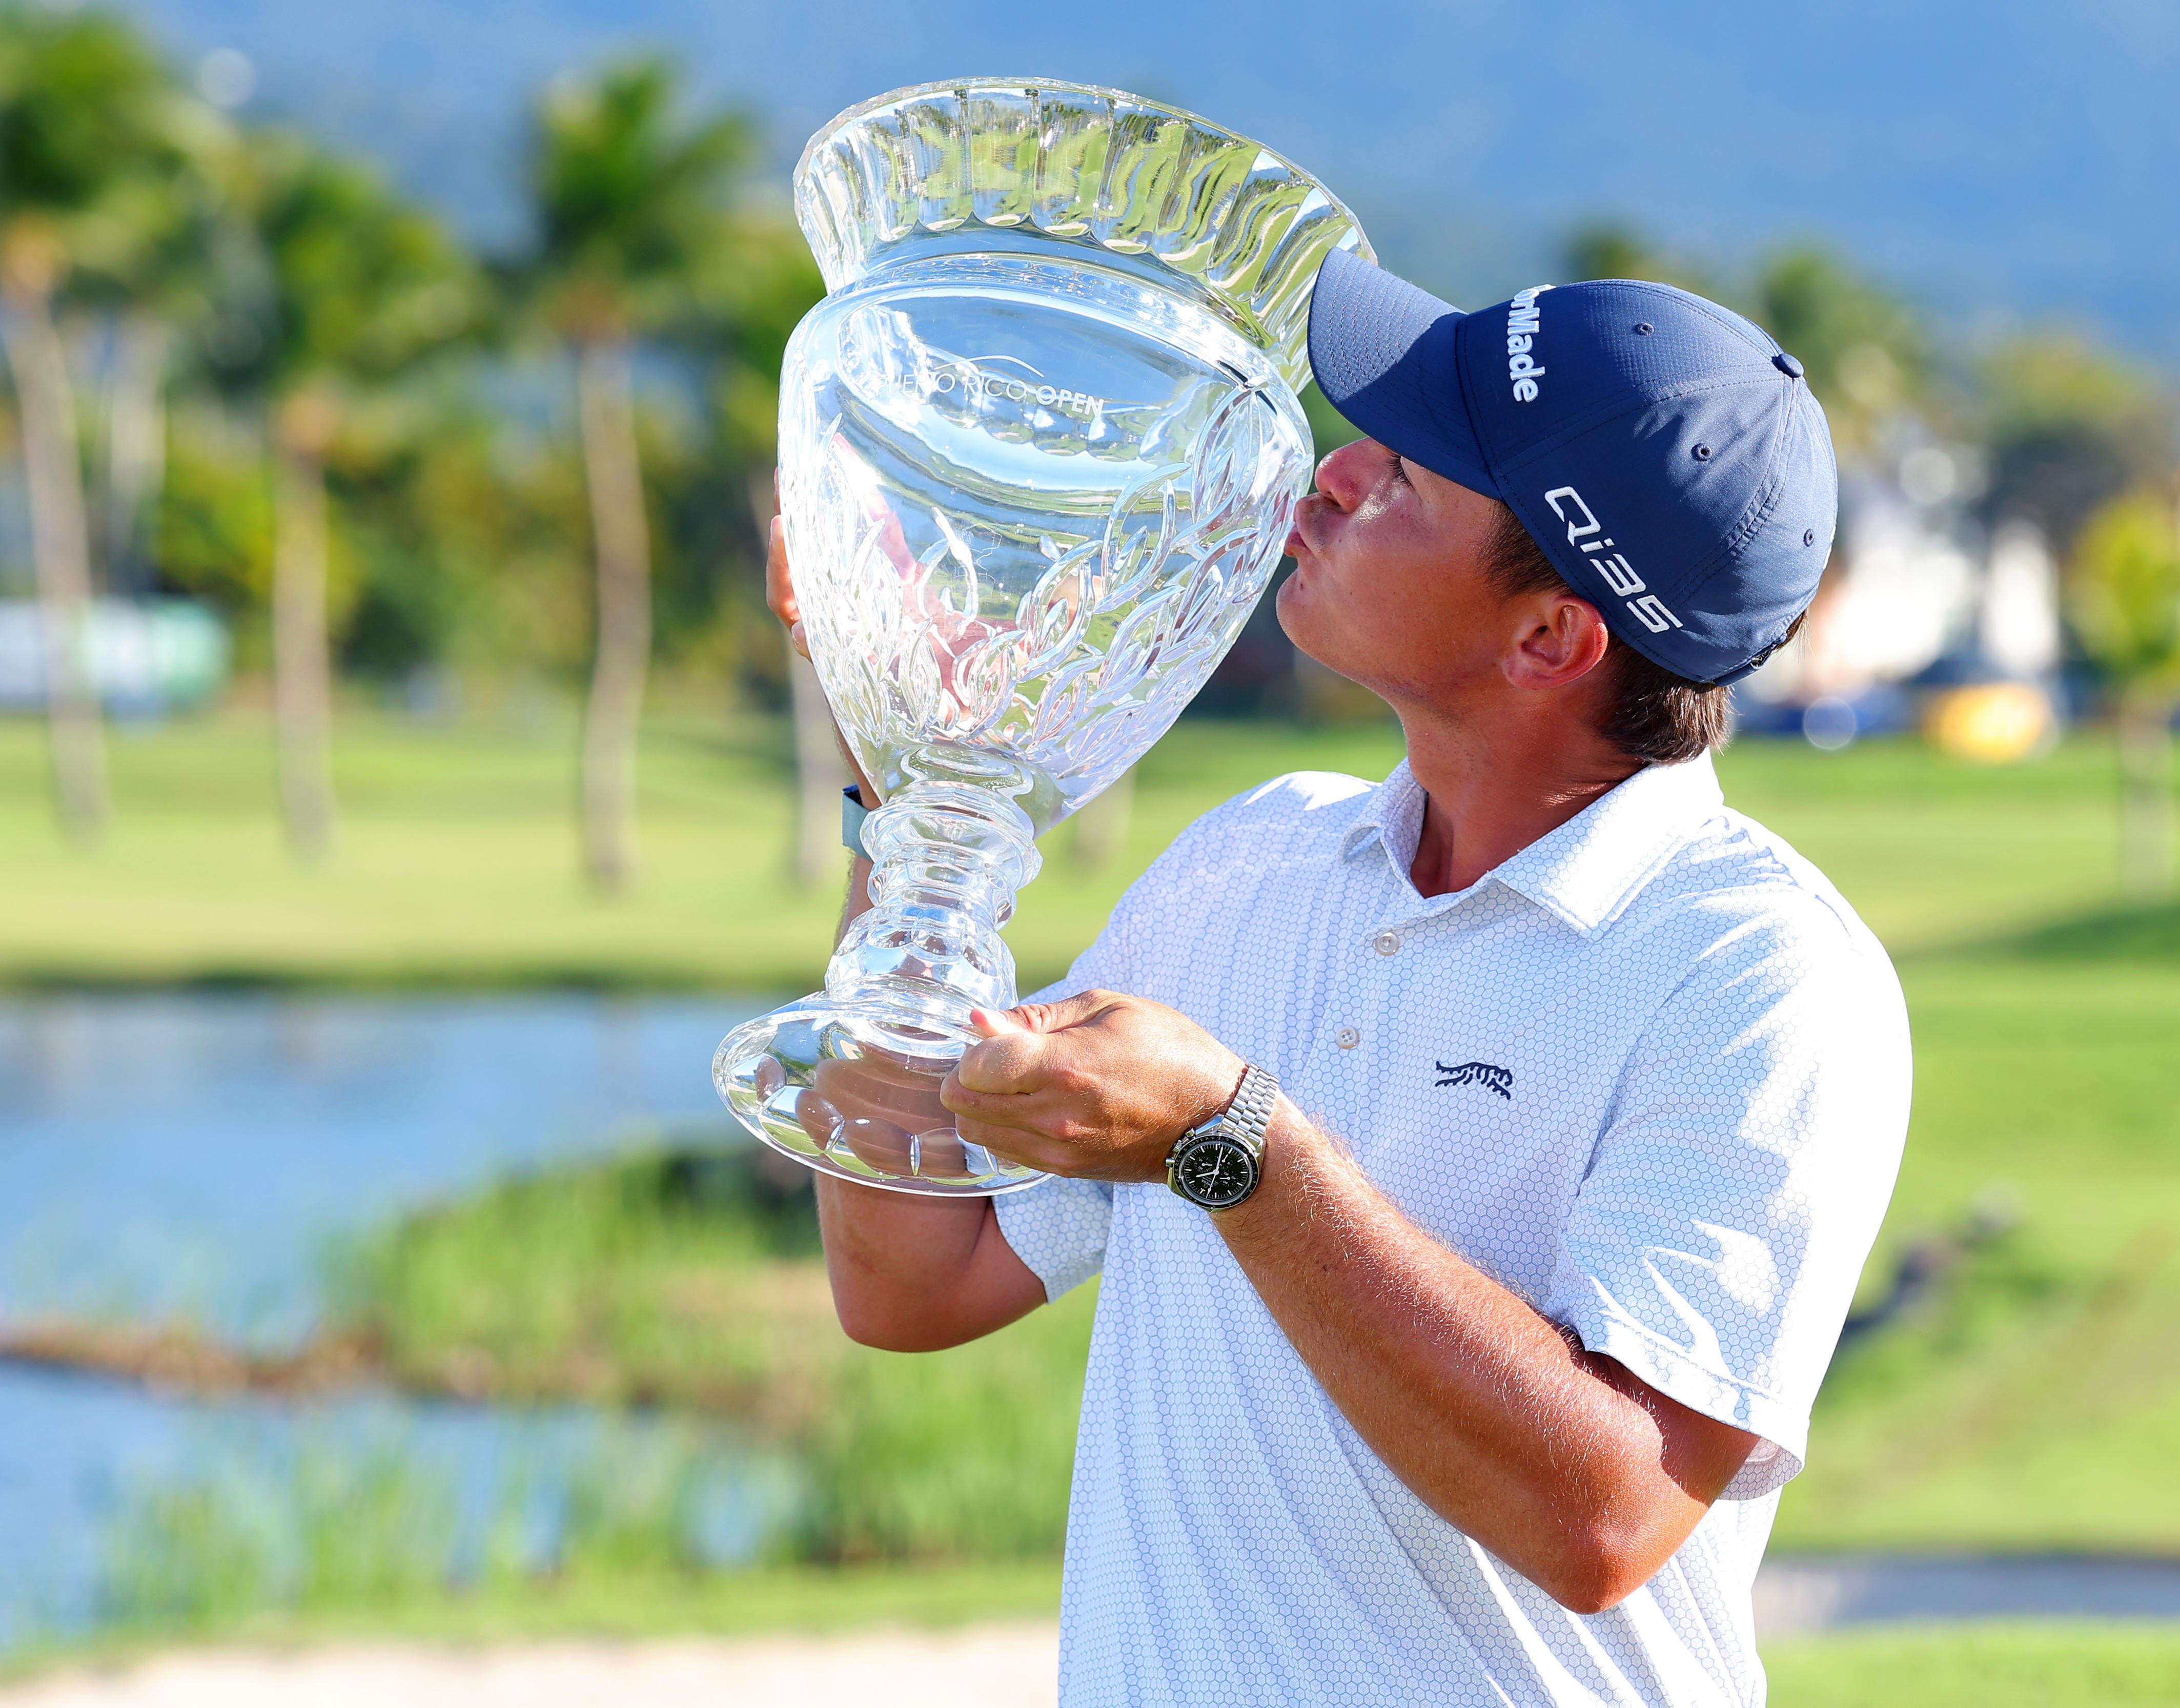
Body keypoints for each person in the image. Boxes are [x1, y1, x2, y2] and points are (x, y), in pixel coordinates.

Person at [769, 250, 1910, 1708]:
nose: (1331, 476)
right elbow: (914, 1280)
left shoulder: (1761, 976)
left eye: (1410, 481)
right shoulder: (1249, 862)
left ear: (1551, 636)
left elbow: (1607, 1518)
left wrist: (1234, 1145)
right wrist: (907, 781)